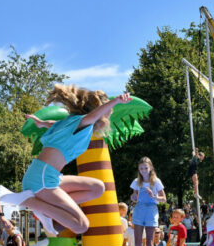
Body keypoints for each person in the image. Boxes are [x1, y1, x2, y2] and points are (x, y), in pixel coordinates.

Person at [7, 85, 132, 235]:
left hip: (45, 176)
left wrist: (42, 123)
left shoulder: (70, 122)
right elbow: (91, 117)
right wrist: (116, 101)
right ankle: (30, 202)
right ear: (100, 112)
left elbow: (54, 124)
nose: (108, 118)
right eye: (107, 114)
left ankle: (45, 208)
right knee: (81, 226)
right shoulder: (84, 121)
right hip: (42, 180)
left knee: (97, 187)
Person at [130, 157, 166, 246]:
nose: (143, 170)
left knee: (149, 241)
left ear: (150, 168)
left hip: (151, 211)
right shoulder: (136, 182)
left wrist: (153, 196)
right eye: (141, 168)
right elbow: (134, 196)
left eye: (145, 168)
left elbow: (164, 199)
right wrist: (133, 197)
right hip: (139, 210)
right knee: (138, 241)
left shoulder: (156, 181)